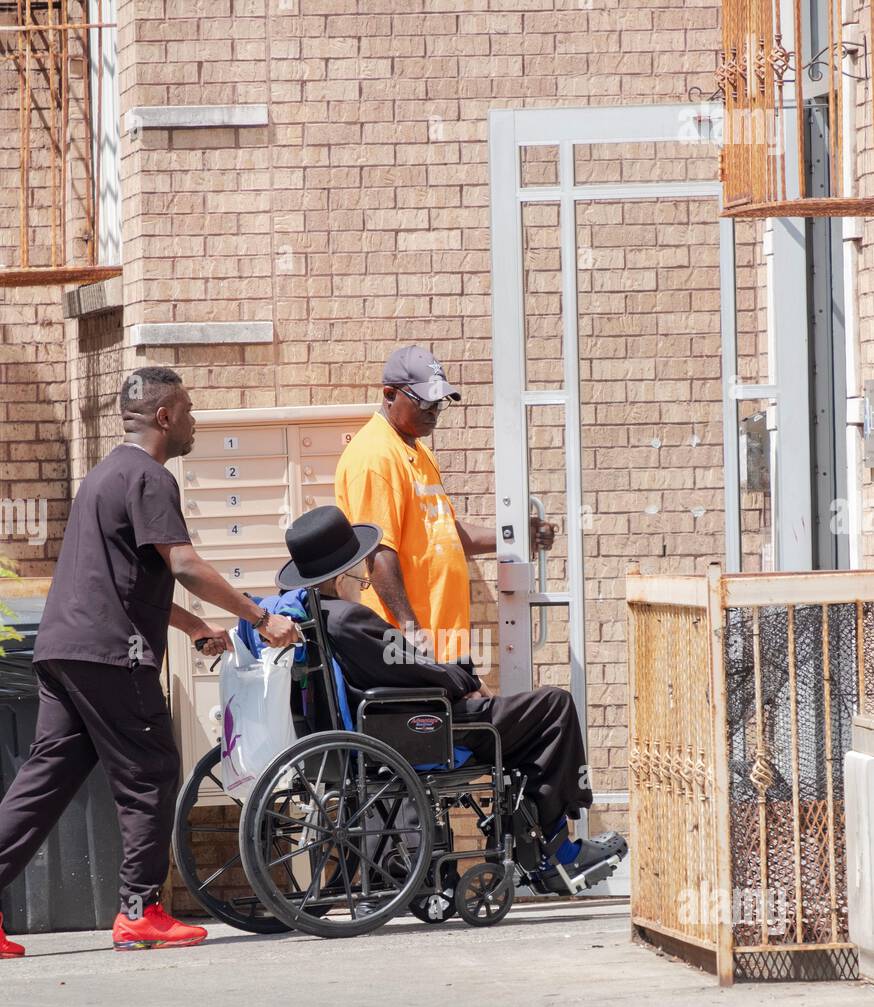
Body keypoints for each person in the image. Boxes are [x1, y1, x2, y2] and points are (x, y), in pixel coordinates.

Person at [0, 367, 301, 960]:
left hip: (63, 651)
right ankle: (141, 911)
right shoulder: (149, 478)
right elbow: (183, 564)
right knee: (152, 772)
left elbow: (121, 578)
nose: (194, 421)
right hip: (114, 656)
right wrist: (261, 617)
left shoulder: (103, 477)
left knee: (45, 781)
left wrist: (193, 627)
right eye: (188, 410)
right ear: (164, 417)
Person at [271, 507, 626, 894]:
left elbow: (404, 666)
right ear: (344, 577)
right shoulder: (350, 619)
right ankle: (558, 850)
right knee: (554, 706)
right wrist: (465, 678)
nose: (364, 581)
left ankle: (543, 842)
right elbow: (412, 668)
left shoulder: (313, 616)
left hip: (391, 722)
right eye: (361, 573)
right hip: (421, 728)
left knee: (523, 724)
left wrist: (454, 675)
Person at [334, 345, 555, 674]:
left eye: (440, 403)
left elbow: (448, 534)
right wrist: (412, 633)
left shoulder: (418, 451)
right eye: (424, 401)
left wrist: (518, 535)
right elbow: (378, 552)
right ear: (389, 394)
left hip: (443, 640)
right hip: (411, 646)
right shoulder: (375, 457)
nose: (434, 411)